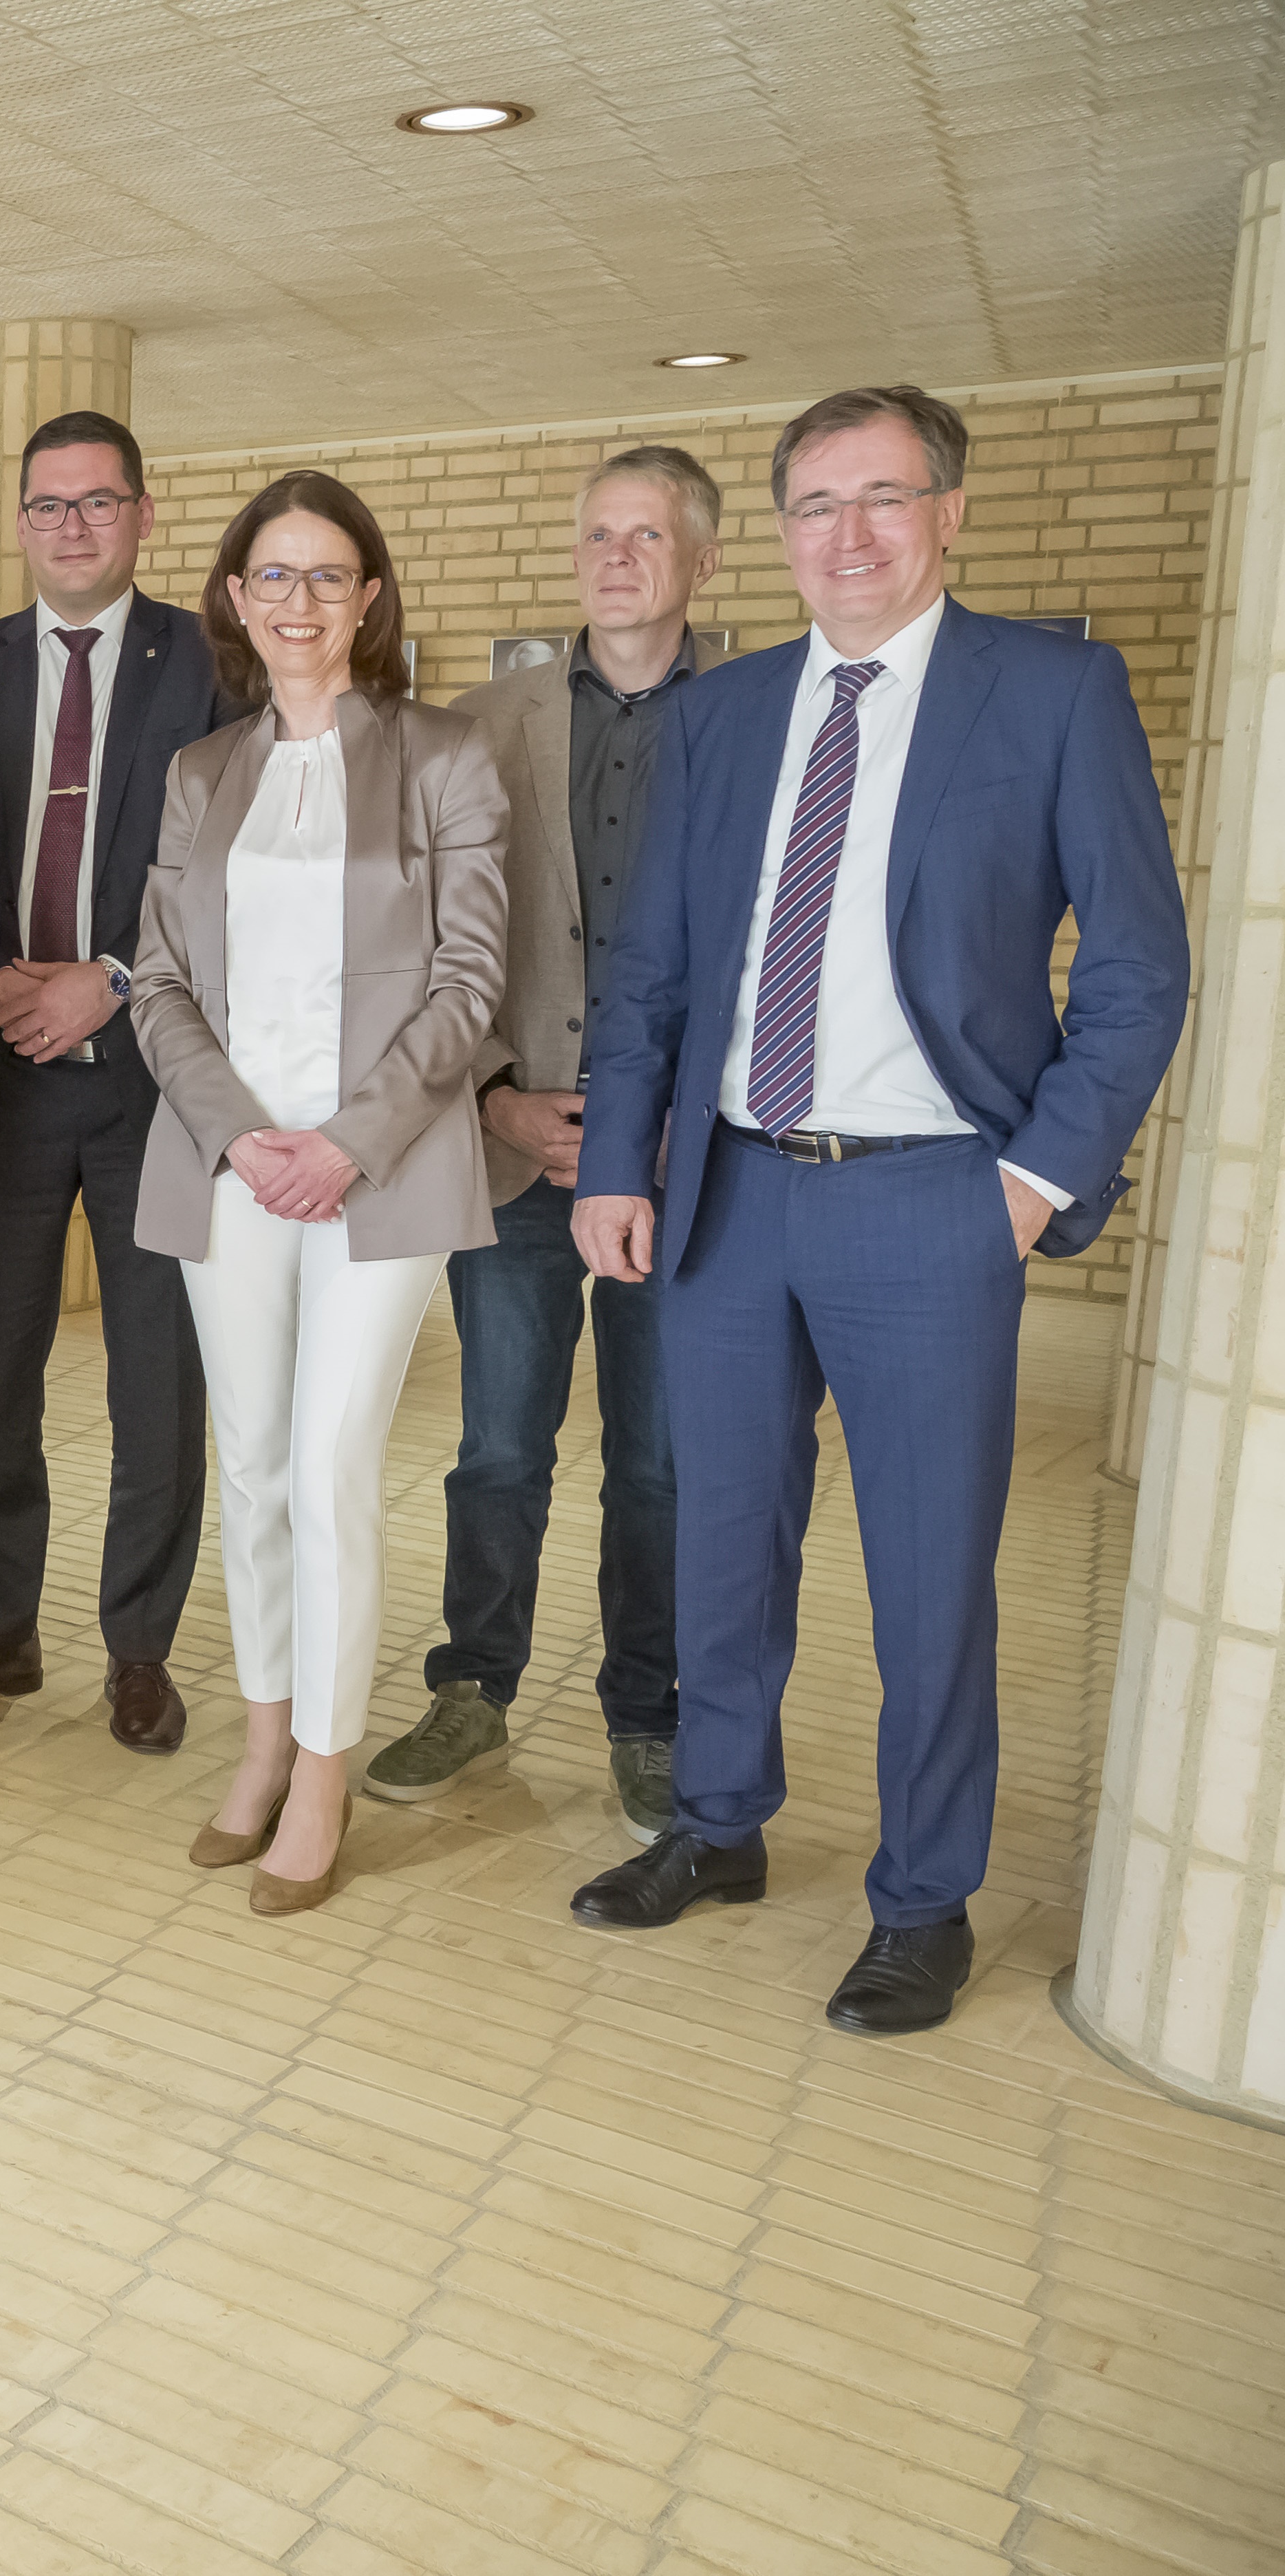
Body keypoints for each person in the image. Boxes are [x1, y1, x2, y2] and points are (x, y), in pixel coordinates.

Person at [570, 386, 1188, 2035]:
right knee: (724, 1539)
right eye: (817, 506)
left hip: (929, 1202)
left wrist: (1032, 1183)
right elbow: (651, 972)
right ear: (777, 534)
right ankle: (718, 1826)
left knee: (929, 1573)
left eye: (884, 500)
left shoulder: (1051, 695)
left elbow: (1137, 969)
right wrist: (619, 1162)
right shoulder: (727, 711)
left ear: (951, 512)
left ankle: (923, 1898)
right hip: (725, 1198)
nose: (849, 536)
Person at [129, 470, 508, 1915]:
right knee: (254, 1465)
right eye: (270, 576)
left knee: (337, 1462)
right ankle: (263, 1739)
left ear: (369, 597)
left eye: (325, 575)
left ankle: (331, 1772)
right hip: (232, 1168)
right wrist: (242, 1134)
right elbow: (159, 980)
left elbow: (472, 982)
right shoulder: (200, 773)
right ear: (235, 598)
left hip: (384, 1170)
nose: (297, 601)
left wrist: (345, 1142)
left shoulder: (445, 758)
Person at [367, 447, 725, 1842]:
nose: (617, 556)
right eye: (598, 534)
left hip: (683, 1172)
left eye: (648, 536)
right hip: (516, 1148)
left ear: (701, 561)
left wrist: (663, 1126)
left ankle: (649, 1713)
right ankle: (474, 1684)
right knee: (500, 1447)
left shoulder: (755, 719)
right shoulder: (476, 727)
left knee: (660, 1463)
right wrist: (493, 1099)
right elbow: (421, 955)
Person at [0, 409, 233, 1752]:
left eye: (99, 503)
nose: (74, 526)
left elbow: (230, 878)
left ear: (144, 516)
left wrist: (111, 973)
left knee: (159, 1378)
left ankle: (140, 1649)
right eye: (49, 505)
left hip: (159, 1080)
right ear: (20, 521)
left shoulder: (211, 668)